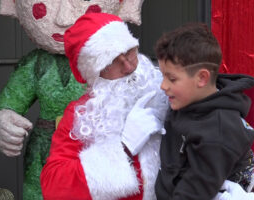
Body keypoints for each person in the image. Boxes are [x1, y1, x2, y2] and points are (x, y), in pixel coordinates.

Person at [0, 1, 145, 199]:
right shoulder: (37, 64)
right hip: (45, 155)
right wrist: (4, 118)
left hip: (106, 149)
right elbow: (12, 99)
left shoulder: (128, 64)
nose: (63, 19)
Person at [40, 12, 169, 200]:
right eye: (111, 62)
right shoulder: (82, 114)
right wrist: (123, 146)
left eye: (129, 52)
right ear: (95, 74)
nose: (128, 66)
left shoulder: (168, 88)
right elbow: (54, 187)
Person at [154, 23, 254, 200]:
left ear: (202, 78)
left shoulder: (218, 133)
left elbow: (193, 193)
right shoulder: (190, 98)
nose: (163, 86)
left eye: (171, 78)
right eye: (162, 75)